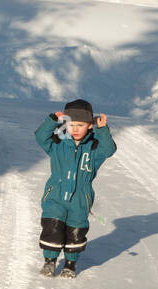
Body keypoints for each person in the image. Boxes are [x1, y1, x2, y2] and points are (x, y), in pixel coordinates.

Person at [33, 99, 116, 278]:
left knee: (75, 231)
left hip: (80, 199)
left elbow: (109, 150)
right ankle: (49, 261)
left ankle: (70, 264)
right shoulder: (57, 143)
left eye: (81, 125)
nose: (76, 129)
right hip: (55, 196)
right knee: (52, 229)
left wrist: (102, 130)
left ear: (89, 126)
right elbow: (40, 137)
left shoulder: (94, 148)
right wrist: (51, 120)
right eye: (72, 125)